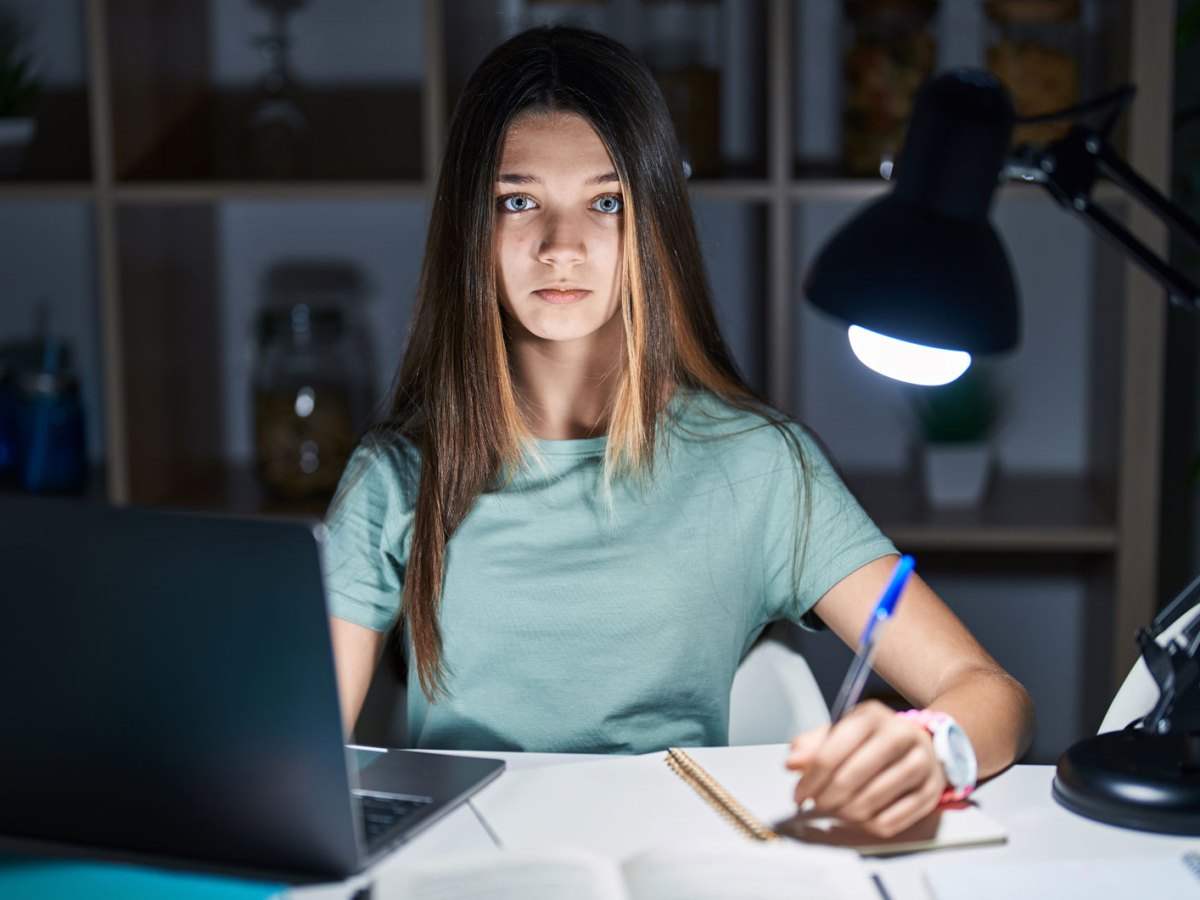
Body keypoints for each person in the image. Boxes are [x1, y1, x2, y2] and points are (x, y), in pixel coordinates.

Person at [323, 25, 1035, 839]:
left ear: (651, 222)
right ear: (468, 231)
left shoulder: (760, 468)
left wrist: (928, 749)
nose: (562, 247)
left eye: (606, 202)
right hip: (457, 873)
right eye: (518, 201)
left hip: (676, 869)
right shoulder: (394, 478)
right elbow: (298, 755)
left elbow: (991, 694)